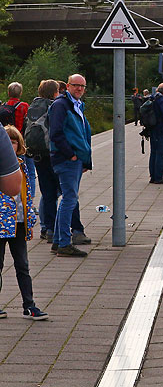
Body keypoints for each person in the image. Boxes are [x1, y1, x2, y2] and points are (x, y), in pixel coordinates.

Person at [28, 80, 85, 244]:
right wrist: (72, 155)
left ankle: (49, 229)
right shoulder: (58, 106)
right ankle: (75, 230)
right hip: (55, 155)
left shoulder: (33, 107)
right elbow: (60, 132)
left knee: (48, 194)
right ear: (55, 92)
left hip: (39, 156)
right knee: (69, 195)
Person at [1, 126, 48, 320]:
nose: (10, 146)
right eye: (7, 142)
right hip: (2, 222)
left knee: (23, 265)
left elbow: (26, 196)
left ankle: (29, 305)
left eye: (13, 142)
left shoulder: (23, 165)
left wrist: (30, 218)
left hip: (19, 222)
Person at [48, 73, 92, 257]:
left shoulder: (76, 105)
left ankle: (58, 242)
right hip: (66, 160)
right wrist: (72, 155)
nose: (79, 89)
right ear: (67, 85)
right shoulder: (61, 105)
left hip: (73, 160)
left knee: (68, 198)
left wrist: (84, 160)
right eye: (75, 85)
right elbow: (56, 133)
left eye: (82, 86)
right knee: (69, 199)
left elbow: (80, 132)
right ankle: (64, 244)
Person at [4, 83, 34, 230]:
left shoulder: (4, 105)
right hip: (19, 142)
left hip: (5, 143)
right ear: (20, 93)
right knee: (28, 175)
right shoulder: (24, 106)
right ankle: (29, 203)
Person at [148, 84, 163, 185]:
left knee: (153, 152)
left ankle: (153, 176)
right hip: (160, 129)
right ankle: (158, 177)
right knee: (160, 153)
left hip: (152, 128)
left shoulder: (153, 97)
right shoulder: (162, 100)